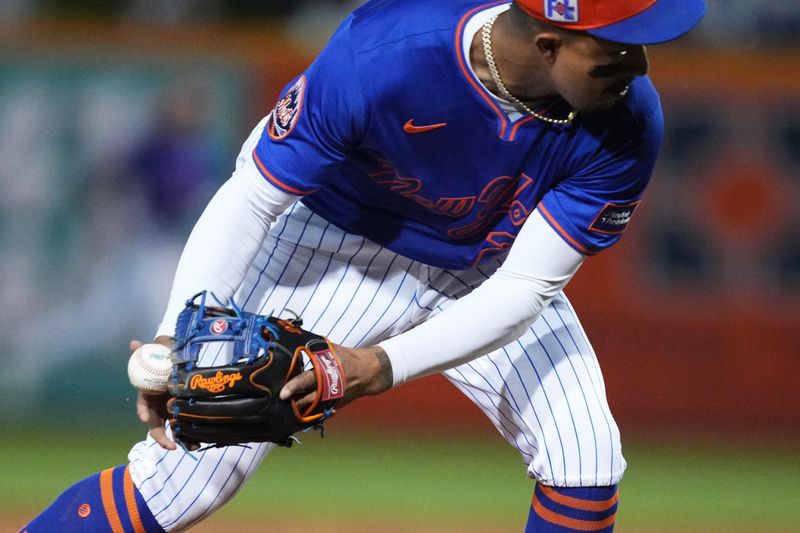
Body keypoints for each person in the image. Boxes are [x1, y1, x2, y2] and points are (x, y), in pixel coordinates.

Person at [22, 0, 707, 531]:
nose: (640, 68)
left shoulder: (630, 124)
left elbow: (527, 287)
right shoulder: (385, 52)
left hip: (488, 268)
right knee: (185, 479)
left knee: (584, 457)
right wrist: (177, 335)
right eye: (616, 51)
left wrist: (374, 365)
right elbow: (253, 195)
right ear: (548, 42)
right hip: (331, 245)